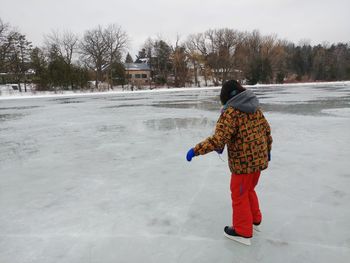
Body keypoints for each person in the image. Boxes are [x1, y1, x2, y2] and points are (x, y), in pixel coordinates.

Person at [186, 80, 272, 246]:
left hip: (243, 165)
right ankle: (255, 220)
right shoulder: (255, 108)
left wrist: (195, 150)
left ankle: (242, 231)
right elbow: (266, 130)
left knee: (239, 194)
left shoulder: (231, 112)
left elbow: (218, 139)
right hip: (259, 160)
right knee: (248, 190)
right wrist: (267, 151)